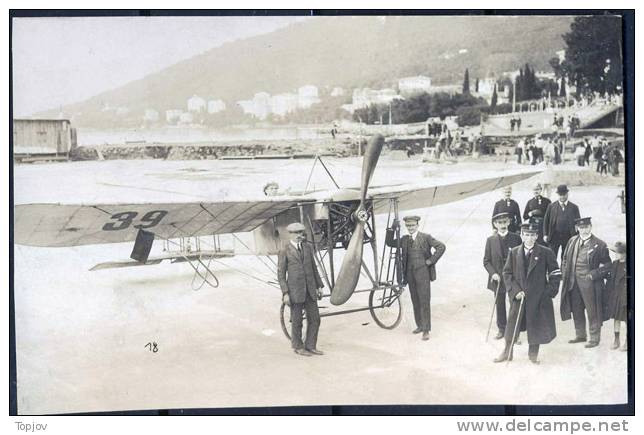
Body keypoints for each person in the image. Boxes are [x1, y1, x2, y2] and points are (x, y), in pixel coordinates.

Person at [494, 223, 561, 364]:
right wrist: (515, 291)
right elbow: (507, 273)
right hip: (519, 297)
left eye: (532, 235)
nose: (530, 238)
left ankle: (533, 355)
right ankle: (507, 352)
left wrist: (547, 293)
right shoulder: (514, 252)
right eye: (527, 235)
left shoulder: (546, 252)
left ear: (537, 236)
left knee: (535, 326)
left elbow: (555, 274)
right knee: (512, 325)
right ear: (522, 236)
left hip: (537, 299)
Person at [386, 215, 446, 341]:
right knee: (415, 300)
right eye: (408, 226)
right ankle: (419, 325)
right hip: (409, 275)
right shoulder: (404, 239)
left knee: (424, 301)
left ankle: (426, 330)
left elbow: (441, 247)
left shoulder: (425, 237)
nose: (410, 228)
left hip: (423, 274)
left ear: (417, 225)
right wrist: (392, 228)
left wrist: (430, 261)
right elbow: (389, 243)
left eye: (412, 225)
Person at [559, 217, 611, 348]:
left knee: (592, 310)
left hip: (590, 284)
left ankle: (594, 338)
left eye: (586, 227)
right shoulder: (572, 241)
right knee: (576, 309)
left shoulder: (599, 244)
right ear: (577, 228)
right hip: (573, 282)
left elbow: (608, 265)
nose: (583, 230)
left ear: (590, 227)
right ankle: (580, 335)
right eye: (581, 228)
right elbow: (564, 259)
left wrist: (594, 274)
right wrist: (565, 272)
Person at [277, 222, 325, 356]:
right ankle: (298, 347)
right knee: (297, 321)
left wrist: (319, 286)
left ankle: (310, 346)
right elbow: (281, 274)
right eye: (296, 233)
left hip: (310, 289)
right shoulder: (284, 250)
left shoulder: (308, 248)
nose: (299, 235)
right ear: (290, 234)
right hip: (295, 291)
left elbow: (314, 268)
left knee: (315, 319)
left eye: (301, 233)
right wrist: (285, 293)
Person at [483, 212, 523, 339]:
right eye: (499, 223)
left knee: (514, 305)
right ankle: (502, 329)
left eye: (505, 222)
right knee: (500, 304)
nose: (503, 225)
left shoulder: (516, 238)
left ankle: (514, 332)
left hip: (513, 278)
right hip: (498, 278)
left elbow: (521, 258)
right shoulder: (490, 240)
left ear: (509, 223)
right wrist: (493, 273)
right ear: (495, 225)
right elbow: (486, 261)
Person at [598, 241, 628, 351]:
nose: (616, 255)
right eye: (615, 252)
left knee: (626, 319)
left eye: (618, 253)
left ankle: (627, 342)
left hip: (624, 297)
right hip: (615, 296)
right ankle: (616, 340)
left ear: (625, 253)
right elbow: (610, 277)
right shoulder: (615, 264)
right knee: (616, 319)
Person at [543, 184, 581, 262]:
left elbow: (578, 223)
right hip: (554, 236)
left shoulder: (574, 207)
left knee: (566, 257)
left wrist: (577, 236)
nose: (562, 197)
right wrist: (545, 234)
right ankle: (553, 272)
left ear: (567, 194)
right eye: (560, 195)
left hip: (568, 236)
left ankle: (564, 272)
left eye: (564, 194)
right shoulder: (551, 206)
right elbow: (546, 221)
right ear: (558, 195)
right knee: (552, 256)